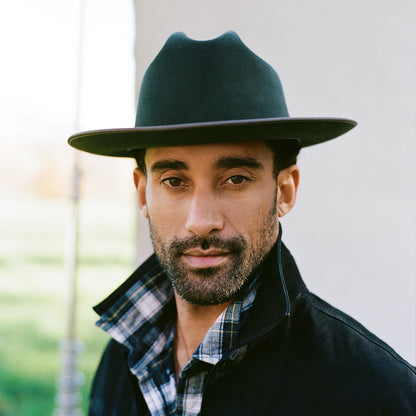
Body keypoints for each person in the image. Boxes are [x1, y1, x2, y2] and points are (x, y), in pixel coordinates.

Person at [69, 32, 415, 415]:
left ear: (284, 191)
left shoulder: (374, 392)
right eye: (174, 181)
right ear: (142, 193)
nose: (201, 222)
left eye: (235, 179)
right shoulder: (121, 360)